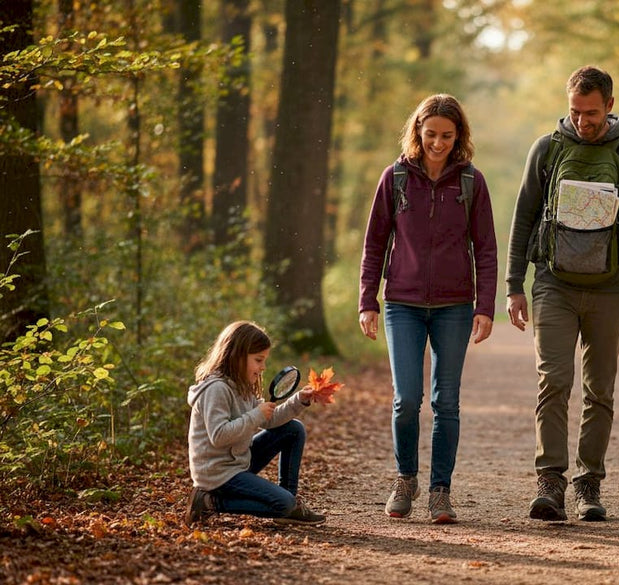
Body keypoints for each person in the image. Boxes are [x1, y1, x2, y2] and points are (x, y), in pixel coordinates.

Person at [506, 66, 619, 522]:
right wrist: (515, 286)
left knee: (600, 391)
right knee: (552, 382)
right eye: (575, 111)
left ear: (610, 106)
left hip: (612, 288)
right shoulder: (548, 149)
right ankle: (550, 482)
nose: (582, 121)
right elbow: (524, 220)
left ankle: (589, 484)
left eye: (591, 113)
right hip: (553, 285)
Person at [359, 94, 497, 524]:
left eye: (447, 136)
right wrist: (368, 300)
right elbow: (375, 243)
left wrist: (485, 306)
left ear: (459, 137)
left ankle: (440, 491)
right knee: (405, 400)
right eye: (431, 133)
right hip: (403, 303)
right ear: (418, 130)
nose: (438, 143)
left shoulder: (471, 182)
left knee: (446, 401)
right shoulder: (395, 177)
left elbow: (487, 249)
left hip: (455, 305)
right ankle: (405, 479)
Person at [185, 320, 326, 527]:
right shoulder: (216, 389)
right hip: (217, 473)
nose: (263, 367)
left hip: (238, 461)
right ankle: (208, 501)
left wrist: (299, 400)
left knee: (293, 429)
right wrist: (255, 415)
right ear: (237, 356)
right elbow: (218, 436)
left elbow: (270, 419)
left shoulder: (243, 385)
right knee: (282, 503)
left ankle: (289, 506)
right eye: (258, 360)